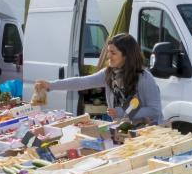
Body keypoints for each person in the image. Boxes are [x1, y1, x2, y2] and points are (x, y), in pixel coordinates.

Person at [35, 33, 163, 125]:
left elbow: (154, 110)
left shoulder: (144, 78)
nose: (108, 57)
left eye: (113, 53)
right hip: (123, 131)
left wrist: (123, 111)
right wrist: (50, 85)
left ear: (126, 56)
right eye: (108, 52)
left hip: (147, 133)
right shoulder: (109, 73)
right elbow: (82, 82)